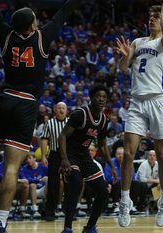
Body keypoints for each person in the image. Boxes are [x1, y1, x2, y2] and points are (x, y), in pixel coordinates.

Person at [0, 0, 80, 232]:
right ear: (32, 27)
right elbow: (65, 11)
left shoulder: (7, 35)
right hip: (26, 105)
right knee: (12, 167)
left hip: (5, 100)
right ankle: (0, 222)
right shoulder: (42, 37)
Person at [116, 0, 163, 227]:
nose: (152, 19)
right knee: (129, 153)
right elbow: (124, 67)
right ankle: (124, 201)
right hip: (137, 102)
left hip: (157, 101)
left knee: (162, 154)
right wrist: (124, 56)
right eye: (150, 17)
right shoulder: (137, 41)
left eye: (156, 17)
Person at [58, 85, 118, 233]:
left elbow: (102, 146)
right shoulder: (80, 114)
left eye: (104, 97)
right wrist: (64, 158)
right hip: (71, 154)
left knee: (103, 191)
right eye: (98, 96)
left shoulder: (104, 120)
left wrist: (111, 166)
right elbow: (63, 136)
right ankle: (67, 228)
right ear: (91, 98)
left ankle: (90, 226)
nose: (101, 99)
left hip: (84, 156)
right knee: (77, 184)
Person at [40, 102, 68, 221]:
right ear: (55, 110)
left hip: (68, 155)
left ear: (66, 110)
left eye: (63, 108)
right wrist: (43, 156)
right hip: (55, 154)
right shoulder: (49, 122)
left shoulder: (71, 122)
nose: (61, 110)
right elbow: (44, 139)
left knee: (70, 183)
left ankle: (69, 211)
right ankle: (50, 212)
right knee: (53, 183)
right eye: (59, 108)